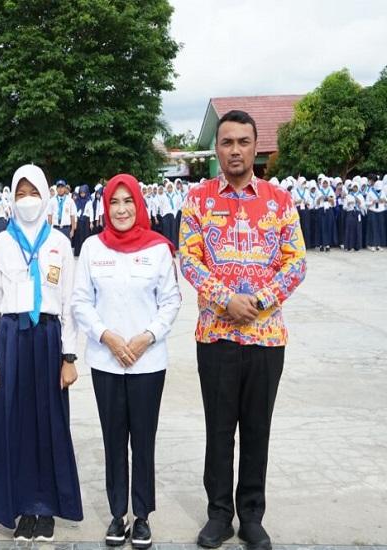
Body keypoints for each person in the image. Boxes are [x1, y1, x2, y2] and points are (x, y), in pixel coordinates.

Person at [179, 111, 306, 550]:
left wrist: (260, 302)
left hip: (266, 338)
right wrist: (224, 299)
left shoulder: (279, 200)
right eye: (227, 142)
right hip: (215, 335)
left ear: (256, 148)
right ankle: (219, 514)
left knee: (256, 427)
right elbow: (189, 258)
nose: (235, 150)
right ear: (217, 149)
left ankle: (251, 514)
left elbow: (297, 261)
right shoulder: (197, 200)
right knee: (218, 428)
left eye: (243, 142)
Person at [72, 173, 181, 549]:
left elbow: (170, 302)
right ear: (106, 207)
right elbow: (80, 302)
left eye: (127, 201)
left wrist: (145, 337)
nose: (121, 209)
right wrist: (108, 336)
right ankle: (118, 514)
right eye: (114, 202)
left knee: (143, 440)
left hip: (147, 362)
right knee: (113, 439)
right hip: (106, 359)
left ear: (139, 204)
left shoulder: (157, 249)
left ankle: (143, 515)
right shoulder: (91, 248)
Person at [0, 164, 82, 542]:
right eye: (20, 193)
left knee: (49, 421)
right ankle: (21, 506)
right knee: (14, 422)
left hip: (49, 338)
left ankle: (46, 507)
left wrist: (69, 358)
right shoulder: (2, 243)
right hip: (11, 338)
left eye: (33, 192)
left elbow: (69, 302)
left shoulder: (58, 242)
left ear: (46, 196)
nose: (27, 201)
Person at [72, 184, 93, 256]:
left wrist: (91, 222)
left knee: (85, 236)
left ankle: (85, 253)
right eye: (81, 193)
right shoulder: (77, 201)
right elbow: (75, 211)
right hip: (79, 220)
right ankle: (78, 251)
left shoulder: (89, 201)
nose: (82, 194)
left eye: (83, 193)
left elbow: (91, 212)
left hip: (86, 220)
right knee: (78, 235)